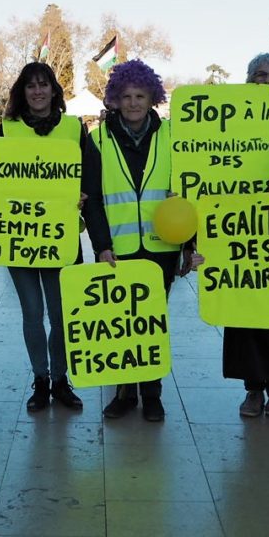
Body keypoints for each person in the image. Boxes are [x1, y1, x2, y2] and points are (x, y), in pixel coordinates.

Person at [83, 59, 189, 422]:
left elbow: (188, 193)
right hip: (118, 248)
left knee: (153, 323)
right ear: (114, 98)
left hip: (162, 248)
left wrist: (188, 247)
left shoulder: (174, 135)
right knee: (121, 323)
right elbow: (93, 199)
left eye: (140, 95)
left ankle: (153, 393)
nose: (132, 103)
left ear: (152, 97)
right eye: (125, 96)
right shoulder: (97, 140)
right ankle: (124, 394)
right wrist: (101, 245)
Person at [0, 62, 87, 411]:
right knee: (32, 314)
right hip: (18, 237)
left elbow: (89, 174)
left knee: (62, 314)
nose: (37, 92)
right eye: (30, 86)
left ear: (54, 90)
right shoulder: (5, 130)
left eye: (43, 85)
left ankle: (60, 380)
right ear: (22, 92)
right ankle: (40, 379)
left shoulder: (73, 128)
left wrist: (82, 194)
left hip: (60, 238)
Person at [223, 53, 269, 419]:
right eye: (260, 75)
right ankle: (253, 388)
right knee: (244, 309)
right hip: (237, 225)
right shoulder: (230, 119)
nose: (268, 81)